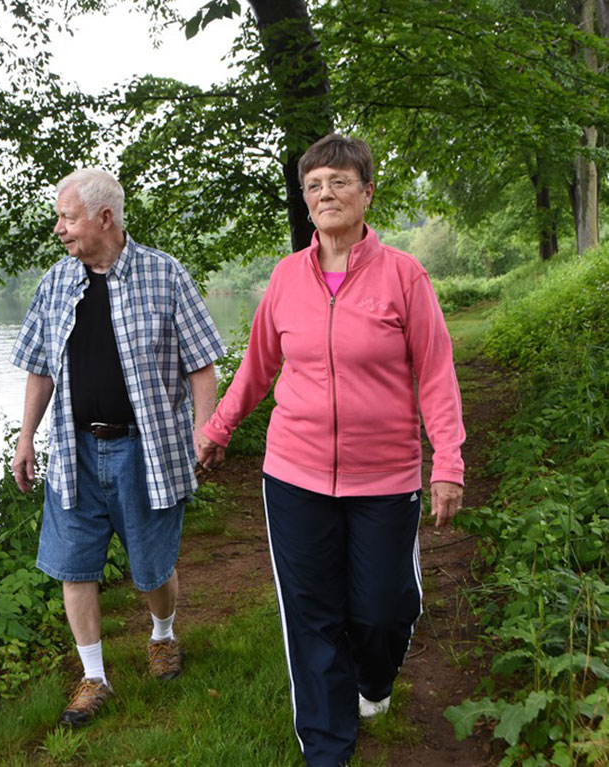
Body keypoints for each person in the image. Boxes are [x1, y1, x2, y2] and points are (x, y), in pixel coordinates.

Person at [198, 134, 465, 767]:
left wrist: (447, 462)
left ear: (368, 193)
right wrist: (217, 429)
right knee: (311, 615)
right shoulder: (288, 277)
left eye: (340, 182)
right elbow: (258, 366)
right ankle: (327, 747)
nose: (326, 194)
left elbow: (436, 374)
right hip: (293, 473)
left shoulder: (404, 275)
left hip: (385, 475)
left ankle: (375, 679)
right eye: (314, 185)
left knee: (381, 610)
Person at [10, 168, 225, 727]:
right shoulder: (56, 282)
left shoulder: (165, 274)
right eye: (60, 217)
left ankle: (161, 633)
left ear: (105, 218)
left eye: (68, 217)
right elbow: (39, 368)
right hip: (74, 451)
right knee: (73, 566)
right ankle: (94, 676)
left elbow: (202, 362)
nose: (60, 228)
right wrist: (25, 436)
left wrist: (206, 428)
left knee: (152, 568)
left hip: (145, 450)